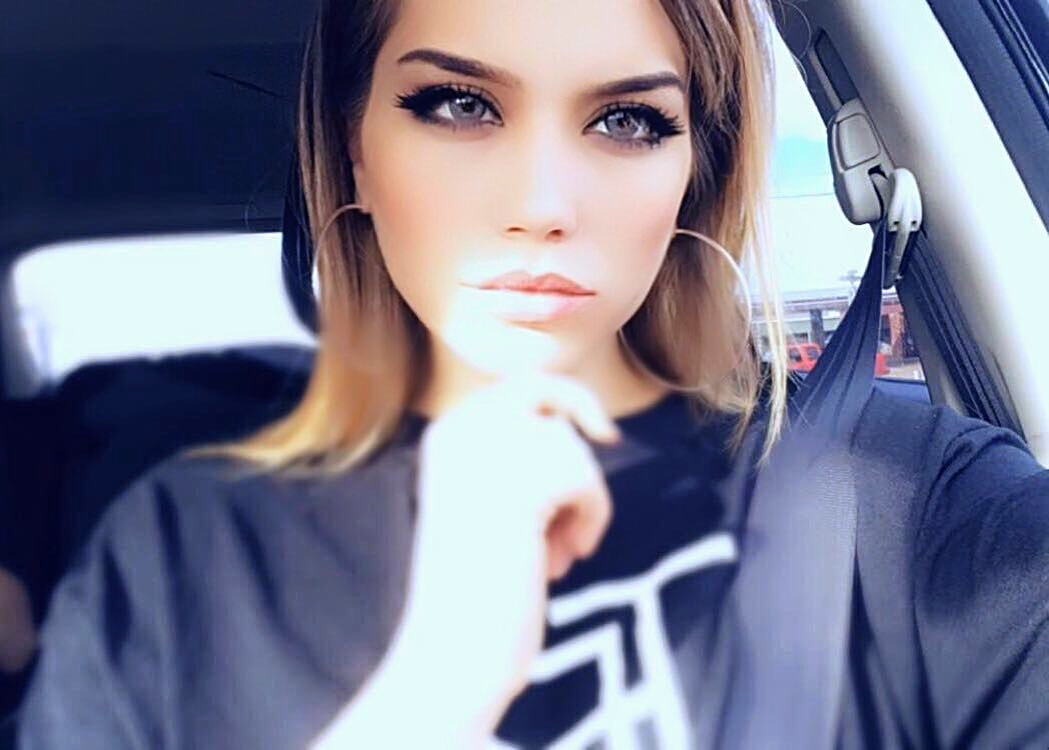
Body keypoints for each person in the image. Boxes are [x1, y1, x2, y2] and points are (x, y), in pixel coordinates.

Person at [16, 0, 1049, 748]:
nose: (542, 203)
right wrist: (427, 699)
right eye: (458, 104)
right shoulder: (174, 562)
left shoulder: (922, 515)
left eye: (627, 121)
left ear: (694, 170)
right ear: (355, 146)